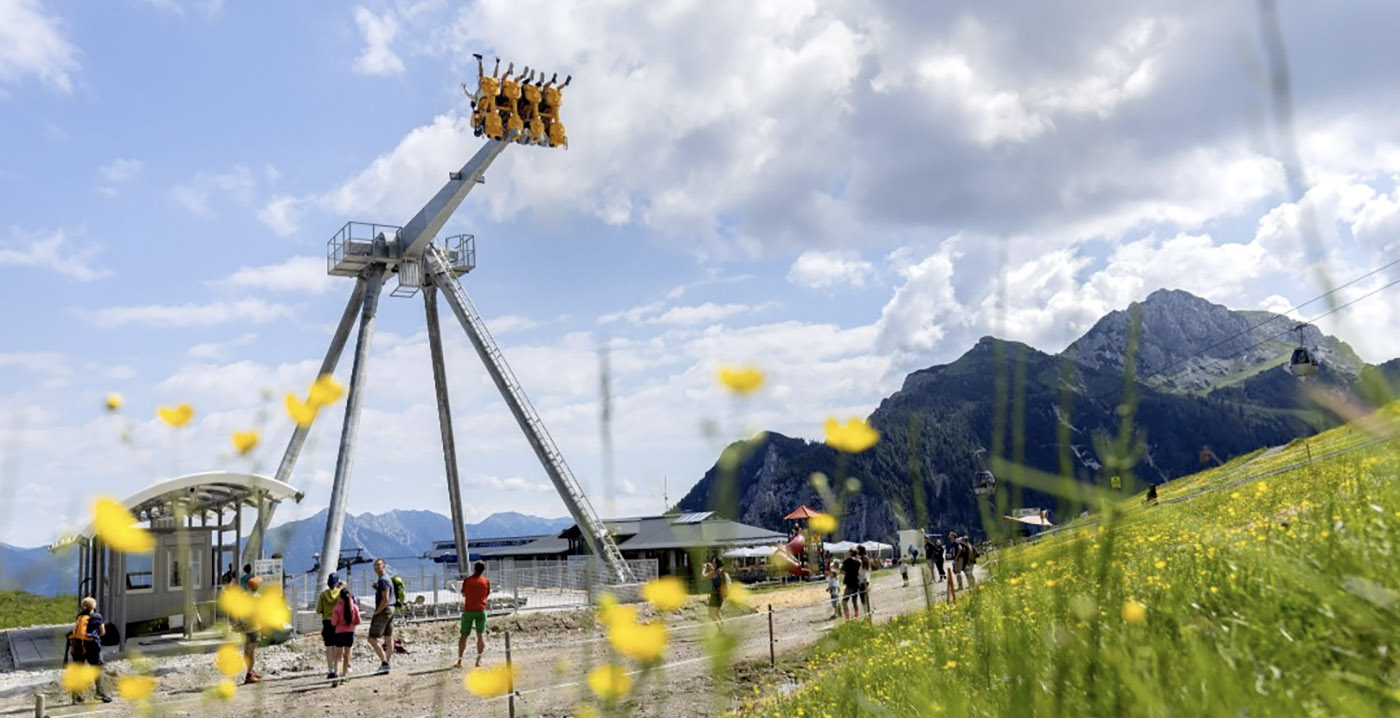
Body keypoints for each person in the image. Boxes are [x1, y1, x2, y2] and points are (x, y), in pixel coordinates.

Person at [66, 597, 111, 703]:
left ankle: (77, 697)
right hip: (91, 646)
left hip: (77, 645)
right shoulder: (97, 616)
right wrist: (95, 637)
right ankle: (100, 693)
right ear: (93, 606)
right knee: (97, 668)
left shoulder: (79, 616)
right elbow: (102, 632)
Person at [456, 561, 490, 668]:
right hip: (481, 610)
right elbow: (487, 594)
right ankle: (478, 660)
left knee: (464, 635)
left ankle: (460, 660)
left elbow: (463, 593)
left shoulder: (468, 581)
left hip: (469, 610)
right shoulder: (486, 581)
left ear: (474, 568)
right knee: (480, 635)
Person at [330, 584, 361, 687]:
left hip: (339, 633)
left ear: (340, 597)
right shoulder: (354, 607)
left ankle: (336, 674)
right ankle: (344, 675)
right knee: (347, 655)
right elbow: (358, 621)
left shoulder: (337, 608)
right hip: (350, 633)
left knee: (338, 656)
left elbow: (333, 623)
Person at [367, 559, 394, 674]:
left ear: (384, 566)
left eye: (379, 565)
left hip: (384, 609)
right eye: (375, 566)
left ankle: (384, 662)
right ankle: (387, 662)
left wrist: (377, 611)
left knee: (372, 638)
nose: (377, 568)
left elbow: (385, 598)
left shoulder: (383, 580)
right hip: (391, 609)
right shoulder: (386, 579)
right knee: (388, 637)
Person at [316, 573, 343, 681]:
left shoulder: (323, 595)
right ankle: (338, 669)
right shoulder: (340, 594)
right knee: (338, 646)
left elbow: (318, 610)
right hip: (338, 622)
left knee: (328, 646)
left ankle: (330, 670)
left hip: (327, 622)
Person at [238, 576, 264, 684]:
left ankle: (250, 670)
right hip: (254, 626)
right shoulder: (258, 597)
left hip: (244, 627)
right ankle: (249, 675)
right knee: (252, 651)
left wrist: (239, 623)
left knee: (246, 651)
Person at [701, 557, 730, 623]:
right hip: (721, 595)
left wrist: (704, 568)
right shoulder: (721, 571)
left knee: (711, 614)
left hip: (715, 595)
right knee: (717, 613)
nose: (712, 564)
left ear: (717, 564)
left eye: (713, 563)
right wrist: (710, 566)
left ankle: (720, 629)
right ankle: (722, 627)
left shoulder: (713, 573)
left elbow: (703, 577)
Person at [840, 548, 862, 619]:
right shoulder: (859, 561)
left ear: (851, 553)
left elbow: (842, 570)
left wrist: (845, 558)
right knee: (854, 600)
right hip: (856, 582)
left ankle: (847, 617)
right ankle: (856, 615)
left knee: (844, 601)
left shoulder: (847, 561)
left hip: (849, 583)